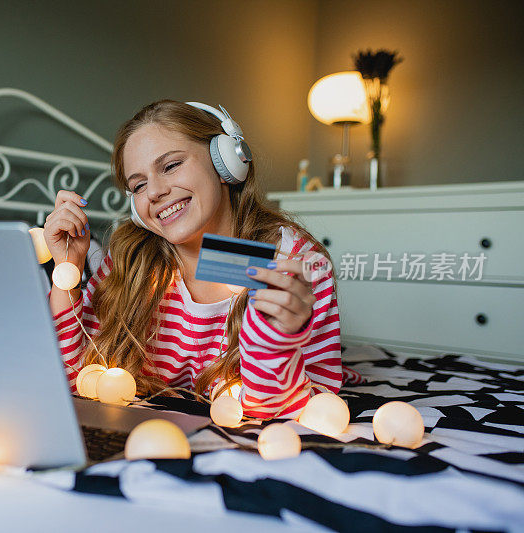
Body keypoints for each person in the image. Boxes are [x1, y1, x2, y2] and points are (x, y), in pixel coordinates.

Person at [44, 100, 355, 420]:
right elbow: (70, 376)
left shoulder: (293, 263)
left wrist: (272, 341)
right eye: (139, 185)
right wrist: (68, 268)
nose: (154, 192)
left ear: (225, 163)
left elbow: (299, 410)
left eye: (170, 166)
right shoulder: (132, 260)